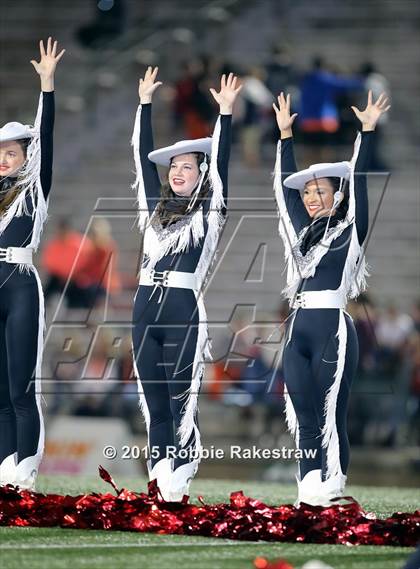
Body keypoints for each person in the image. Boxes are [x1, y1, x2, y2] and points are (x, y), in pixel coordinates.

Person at [272, 90, 390, 506]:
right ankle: (308, 492)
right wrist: (285, 137)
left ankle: (334, 489)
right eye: (307, 192)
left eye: (318, 191)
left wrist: (367, 132)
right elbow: (284, 198)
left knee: (329, 414)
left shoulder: (350, 234)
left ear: (337, 195)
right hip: (298, 329)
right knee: (302, 413)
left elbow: (359, 185)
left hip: (332, 329)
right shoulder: (303, 236)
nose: (309, 198)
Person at [131, 67, 241, 501]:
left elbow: (223, 167)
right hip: (144, 307)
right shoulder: (152, 213)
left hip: (181, 307)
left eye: (187, 166)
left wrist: (225, 114)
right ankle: (160, 479)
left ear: (201, 173)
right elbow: (141, 159)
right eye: (173, 166)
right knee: (154, 404)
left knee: (180, 401)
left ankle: (181, 471)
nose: (177, 171)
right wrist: (143, 104)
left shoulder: (209, 213)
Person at [0, 38, 65, 489]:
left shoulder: (33, 188)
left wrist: (46, 85)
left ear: (26, 157)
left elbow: (47, 137)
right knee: (0, 391)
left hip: (20, 282)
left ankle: (27, 470)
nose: (3, 159)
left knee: (22, 387)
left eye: (11, 153)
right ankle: (5, 467)